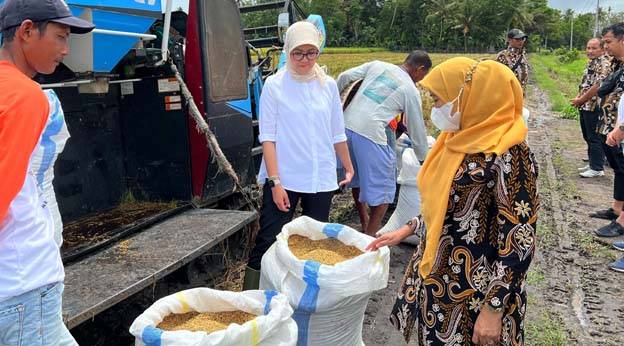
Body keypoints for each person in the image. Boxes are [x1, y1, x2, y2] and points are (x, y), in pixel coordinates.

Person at [367, 58, 539, 345]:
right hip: (439, 284)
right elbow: (452, 206)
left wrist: (493, 310)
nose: (435, 109)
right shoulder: (456, 140)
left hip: (476, 294)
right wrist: (408, 229)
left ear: (468, 97)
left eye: (438, 100)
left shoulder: (508, 154)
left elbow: (519, 240)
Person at [0, 0, 95, 344]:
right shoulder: (26, 96)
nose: (66, 50)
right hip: (23, 287)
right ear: (26, 31)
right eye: (60, 36)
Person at [243, 21, 354, 289]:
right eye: (297, 53)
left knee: (315, 239)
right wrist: (275, 182)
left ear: (318, 52)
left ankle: (305, 295)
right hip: (285, 177)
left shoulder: (327, 85)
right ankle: (251, 297)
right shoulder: (275, 85)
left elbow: (337, 132)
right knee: (269, 238)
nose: (304, 60)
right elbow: (267, 138)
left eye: (311, 53)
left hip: (320, 176)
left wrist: (348, 167)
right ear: (288, 51)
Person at [336, 51, 431, 236]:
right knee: (384, 191)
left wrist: (336, 105)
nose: (420, 80)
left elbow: (344, 76)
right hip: (371, 134)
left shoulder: (378, 65)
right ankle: (370, 241)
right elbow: (417, 131)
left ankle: (364, 221)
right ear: (419, 69)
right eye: (423, 75)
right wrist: (423, 161)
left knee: (357, 177)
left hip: (345, 129)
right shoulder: (410, 90)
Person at [592, 23, 624, 239]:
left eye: (609, 42)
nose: (606, 46)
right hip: (614, 126)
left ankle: (621, 221)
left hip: (620, 129)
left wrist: (621, 128)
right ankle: (617, 210)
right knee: (620, 170)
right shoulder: (620, 65)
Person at [572, 38, 611, 178]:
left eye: (594, 48)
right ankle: (593, 163)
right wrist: (579, 98)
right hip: (586, 106)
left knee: (595, 137)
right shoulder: (592, 63)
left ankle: (597, 168)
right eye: (588, 48)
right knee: (588, 136)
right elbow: (585, 84)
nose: (590, 51)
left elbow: (597, 86)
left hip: (595, 106)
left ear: (602, 49)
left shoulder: (604, 64)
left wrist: (581, 99)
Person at [496, 29, 530, 94]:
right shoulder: (503, 56)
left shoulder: (522, 56)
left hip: (520, 96)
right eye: (517, 39)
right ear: (509, 40)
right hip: (507, 95)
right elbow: (499, 78)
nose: (521, 41)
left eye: (523, 39)